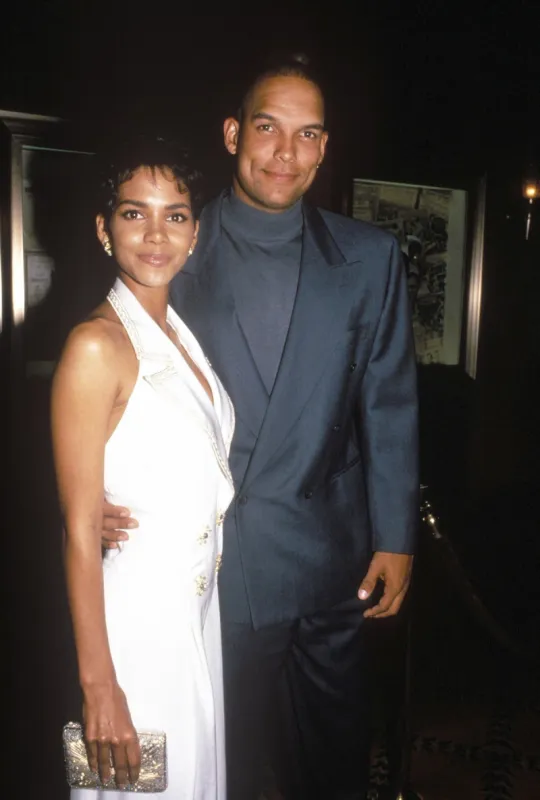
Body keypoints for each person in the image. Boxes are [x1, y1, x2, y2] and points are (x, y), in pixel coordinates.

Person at [103, 56, 419, 800]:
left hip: (328, 558)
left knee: (334, 760)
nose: (286, 152)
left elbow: (389, 400)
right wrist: (87, 502)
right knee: (218, 762)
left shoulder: (370, 259)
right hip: (208, 563)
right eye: (268, 128)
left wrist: (398, 535)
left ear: (324, 148)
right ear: (232, 133)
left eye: (307, 135)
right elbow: (107, 382)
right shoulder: (169, 246)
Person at [51, 140, 235, 798]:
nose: (156, 234)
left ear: (195, 230)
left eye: (176, 215)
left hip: (192, 620)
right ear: (104, 230)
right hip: (133, 635)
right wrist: (99, 689)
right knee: (132, 790)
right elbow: (77, 532)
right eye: (134, 214)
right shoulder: (94, 345)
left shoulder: (179, 335)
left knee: (189, 780)